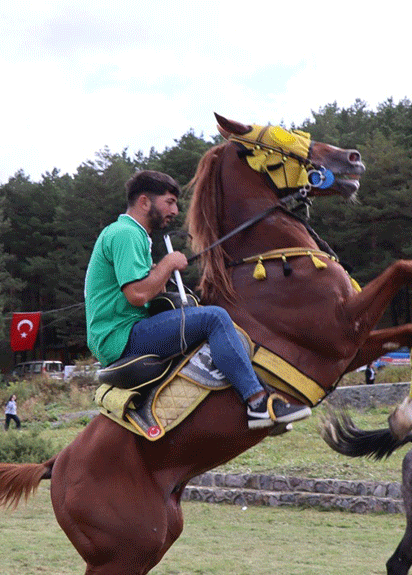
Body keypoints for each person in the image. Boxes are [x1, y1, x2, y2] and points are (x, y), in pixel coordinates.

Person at [84, 169, 310, 430]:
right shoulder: (127, 233)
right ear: (145, 201)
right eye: (169, 202)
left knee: (201, 313)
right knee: (214, 318)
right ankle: (258, 402)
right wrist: (168, 264)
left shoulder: (127, 232)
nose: (175, 211)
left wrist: (159, 273)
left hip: (121, 332)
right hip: (121, 336)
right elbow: (137, 295)